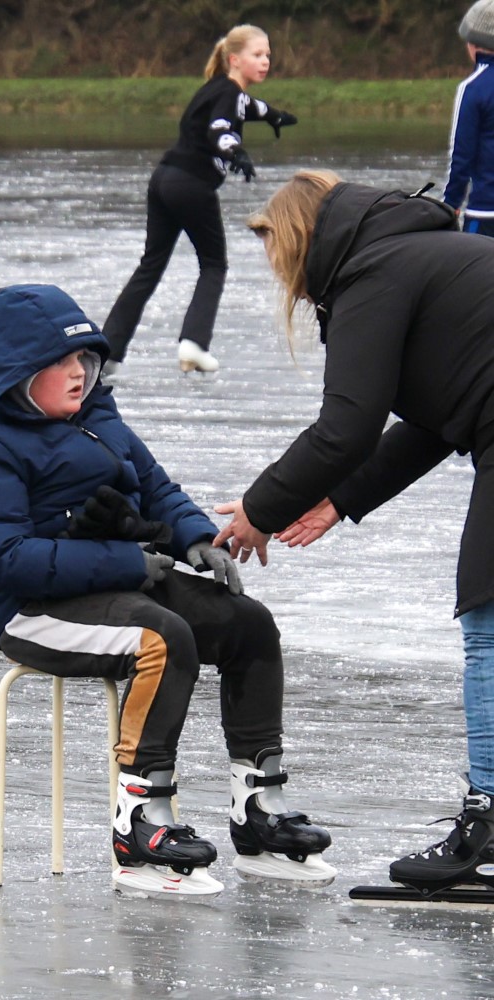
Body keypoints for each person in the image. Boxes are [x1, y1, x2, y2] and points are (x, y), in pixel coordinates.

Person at [0, 282, 335, 897]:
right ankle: (141, 823)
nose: (79, 374)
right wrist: (126, 562)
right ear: (16, 374)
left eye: (86, 360)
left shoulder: (98, 418)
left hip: (118, 574)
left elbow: (154, 488)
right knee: (161, 636)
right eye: (62, 364)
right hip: (29, 609)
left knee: (248, 624)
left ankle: (258, 810)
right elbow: (7, 561)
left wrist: (197, 540)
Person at [212, 168, 494, 898]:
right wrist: (341, 500)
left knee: (489, 621)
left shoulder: (374, 276)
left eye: (281, 263)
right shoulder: (419, 255)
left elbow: (346, 428)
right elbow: (439, 416)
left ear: (302, 242)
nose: (288, 285)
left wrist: (258, 509)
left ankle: (489, 822)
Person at [101, 24, 297, 376]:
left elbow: (248, 106)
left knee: (150, 266)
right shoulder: (227, 94)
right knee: (214, 264)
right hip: (191, 185)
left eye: (268, 54)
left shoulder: (219, 89)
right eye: (257, 55)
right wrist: (236, 152)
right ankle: (194, 343)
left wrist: (274, 115)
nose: (266, 61)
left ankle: (108, 352)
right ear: (235, 60)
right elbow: (221, 128)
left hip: (163, 179)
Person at [443, 0, 494, 236]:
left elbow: (461, 155)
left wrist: (450, 205)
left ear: (473, 45)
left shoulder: (472, 88)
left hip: (485, 213)